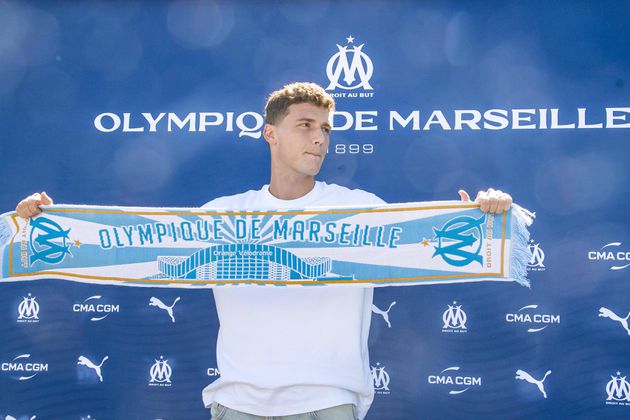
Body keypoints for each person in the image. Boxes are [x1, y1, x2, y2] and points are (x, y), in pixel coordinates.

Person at [16, 82, 512, 420]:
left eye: (325, 129)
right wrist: (40, 225)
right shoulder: (222, 214)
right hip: (238, 406)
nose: (319, 139)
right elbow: (125, 241)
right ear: (270, 133)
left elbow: (432, 238)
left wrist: (485, 214)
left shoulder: (360, 210)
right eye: (305, 125)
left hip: (327, 403)